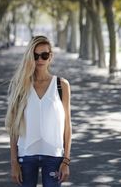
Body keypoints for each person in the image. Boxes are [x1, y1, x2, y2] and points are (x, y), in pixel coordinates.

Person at [5, 35, 72, 187]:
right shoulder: (20, 86)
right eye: (35, 56)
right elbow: (14, 128)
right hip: (26, 155)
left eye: (44, 55)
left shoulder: (62, 85)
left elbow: (68, 126)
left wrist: (66, 160)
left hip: (54, 156)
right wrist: (14, 162)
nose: (39, 59)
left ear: (51, 57)